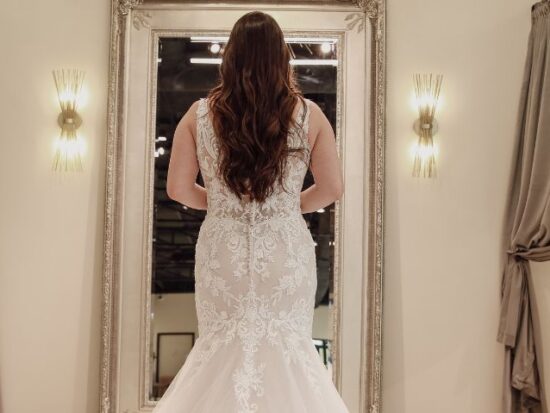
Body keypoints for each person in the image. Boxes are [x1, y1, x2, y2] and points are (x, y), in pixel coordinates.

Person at [162, 10, 347, 413]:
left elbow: (177, 188)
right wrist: (284, 206)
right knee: (287, 349)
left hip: (223, 249)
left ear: (230, 58)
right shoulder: (310, 114)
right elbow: (332, 188)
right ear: (282, 58)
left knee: (220, 347)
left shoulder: (197, 116)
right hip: (283, 250)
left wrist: (225, 203)